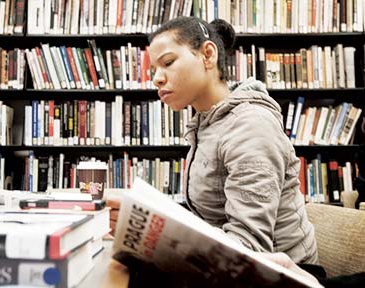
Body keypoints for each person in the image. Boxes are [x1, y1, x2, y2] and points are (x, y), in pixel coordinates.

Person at [108, 16, 318, 266]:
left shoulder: (250, 125)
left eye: (168, 62)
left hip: (288, 274)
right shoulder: (207, 124)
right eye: (154, 70)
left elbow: (250, 246)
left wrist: (161, 237)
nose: (157, 79)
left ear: (208, 55)